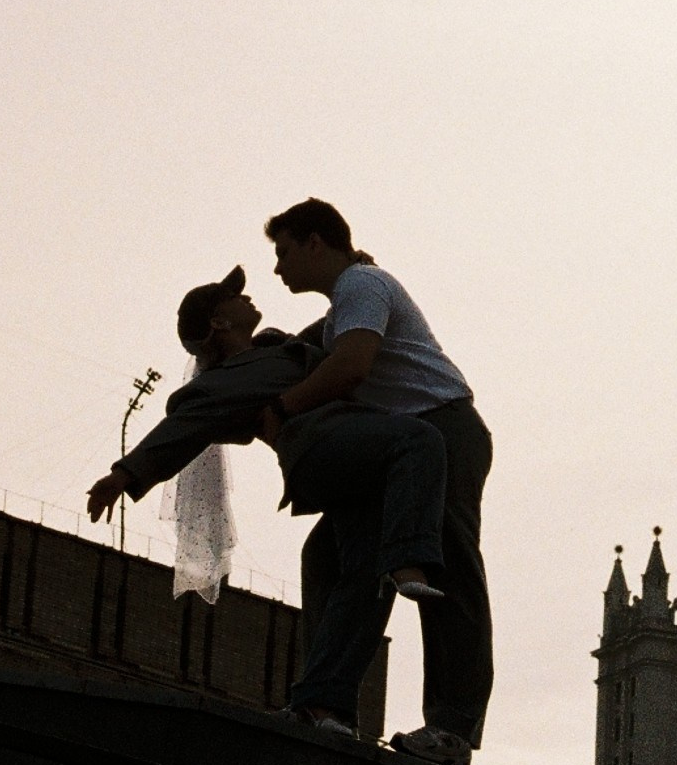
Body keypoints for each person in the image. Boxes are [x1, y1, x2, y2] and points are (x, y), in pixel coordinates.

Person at [88, 268, 447, 735]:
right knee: (420, 441)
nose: (247, 297)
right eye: (234, 298)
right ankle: (409, 559)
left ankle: (323, 706)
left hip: (357, 459)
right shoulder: (218, 384)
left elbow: (333, 329)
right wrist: (124, 473)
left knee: (357, 572)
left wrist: (351, 276)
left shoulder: (277, 345)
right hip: (318, 451)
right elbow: (181, 429)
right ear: (219, 322)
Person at [260, 200, 493, 765]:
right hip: (401, 449)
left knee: (447, 567)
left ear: (317, 244)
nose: (277, 268)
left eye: (283, 251)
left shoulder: (361, 284)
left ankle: (451, 728)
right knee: (332, 557)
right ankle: (326, 702)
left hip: (442, 429)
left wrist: (281, 408)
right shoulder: (340, 312)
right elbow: (302, 356)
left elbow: (350, 368)